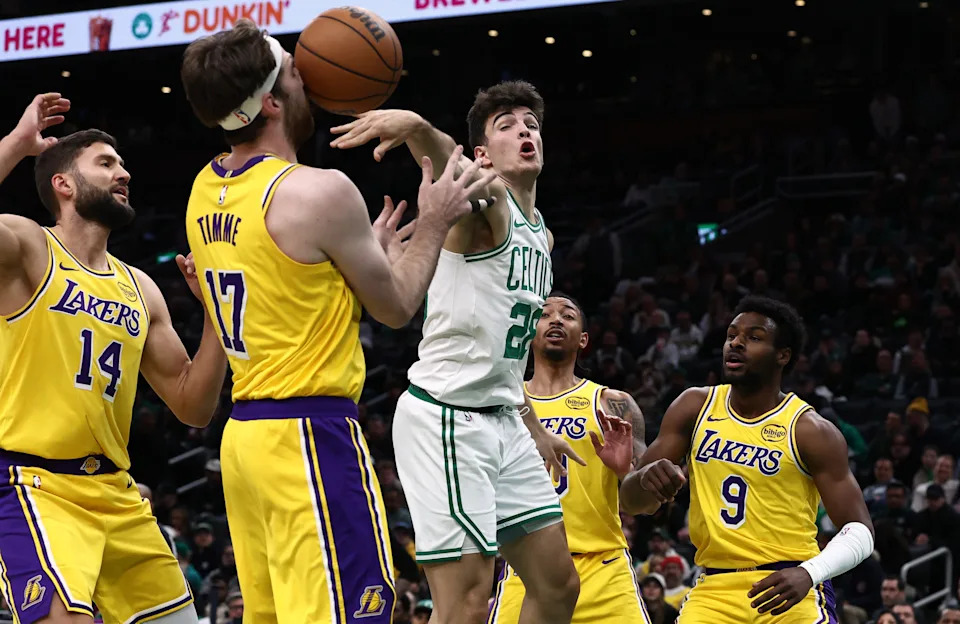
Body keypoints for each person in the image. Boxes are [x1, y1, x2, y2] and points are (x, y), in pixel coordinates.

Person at [179, 21, 490, 623]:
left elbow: (286, 288)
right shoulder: (318, 191)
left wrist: (353, 263)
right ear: (270, 101)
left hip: (245, 437)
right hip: (308, 433)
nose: (308, 78)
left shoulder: (202, 188)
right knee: (355, 612)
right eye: (295, 73)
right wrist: (434, 219)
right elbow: (397, 308)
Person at [330, 81, 584, 624]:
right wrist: (420, 130)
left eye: (531, 124)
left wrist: (532, 423)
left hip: (504, 420)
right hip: (448, 418)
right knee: (467, 601)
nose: (525, 131)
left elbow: (502, 350)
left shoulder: (543, 236)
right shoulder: (486, 207)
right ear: (483, 155)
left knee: (558, 586)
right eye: (508, 124)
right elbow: (454, 166)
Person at [0, 93, 229, 623]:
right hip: (36, 486)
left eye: (122, 163)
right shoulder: (29, 248)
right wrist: (15, 145)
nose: (123, 172)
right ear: (63, 183)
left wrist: (215, 321)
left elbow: (193, 407)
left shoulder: (141, 286)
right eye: (105, 163)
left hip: (118, 495)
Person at [621, 296, 875, 623]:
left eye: (753, 337)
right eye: (731, 335)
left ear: (783, 355)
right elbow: (631, 502)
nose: (736, 343)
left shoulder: (809, 430)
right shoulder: (693, 406)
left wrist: (810, 573)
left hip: (788, 584)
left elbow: (861, 531)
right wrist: (644, 479)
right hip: (714, 587)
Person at [487, 293, 650, 623]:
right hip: (528, 567)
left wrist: (625, 472)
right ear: (529, 332)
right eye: (545, 315)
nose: (556, 320)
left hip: (603, 568)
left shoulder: (613, 403)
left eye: (568, 315)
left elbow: (647, 505)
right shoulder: (500, 401)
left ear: (584, 339)